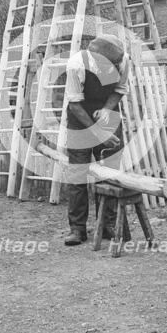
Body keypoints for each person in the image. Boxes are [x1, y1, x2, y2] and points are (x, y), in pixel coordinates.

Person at [63, 34, 131, 246]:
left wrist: (106, 110)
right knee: (78, 172)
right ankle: (77, 229)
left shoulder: (123, 59)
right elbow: (74, 104)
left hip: (107, 110)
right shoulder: (76, 65)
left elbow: (119, 90)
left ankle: (108, 225)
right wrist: (99, 133)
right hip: (79, 113)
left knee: (109, 171)